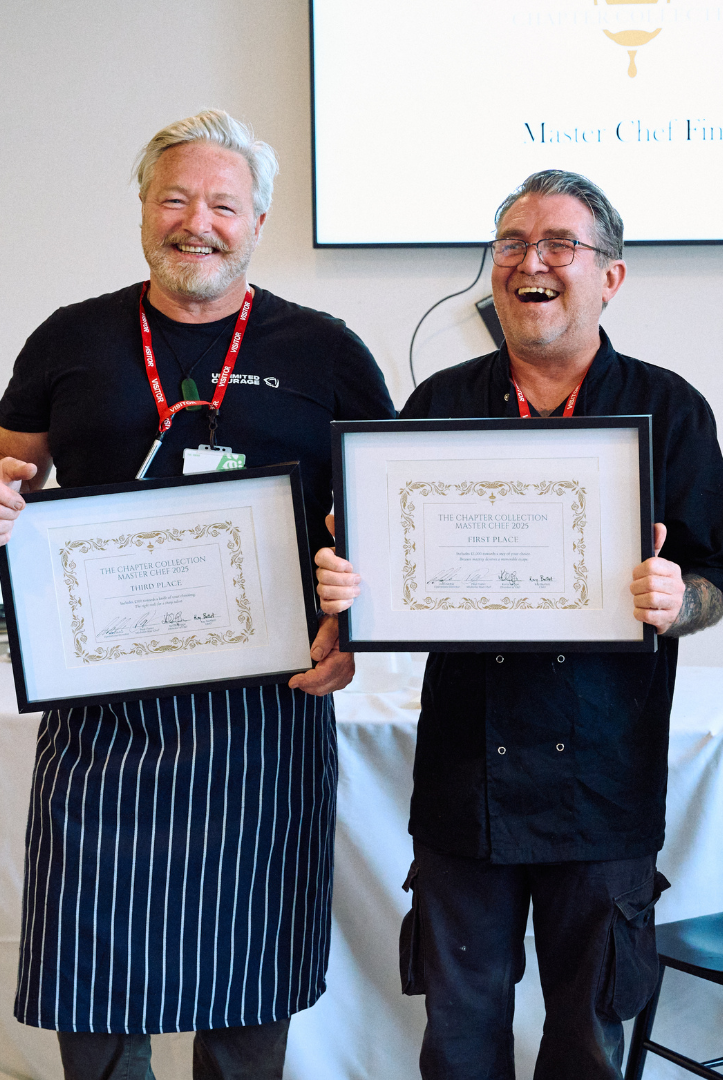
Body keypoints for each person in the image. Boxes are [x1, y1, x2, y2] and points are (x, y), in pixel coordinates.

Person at [315, 170, 723, 1079]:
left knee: (587, 1039)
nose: (530, 262)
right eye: (511, 244)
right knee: (460, 1038)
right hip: (466, 780)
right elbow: (384, 570)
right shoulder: (439, 405)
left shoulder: (670, 410)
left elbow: (717, 577)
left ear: (610, 277)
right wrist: (350, 581)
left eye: (559, 244)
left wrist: (678, 601)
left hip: (605, 781)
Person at [0, 109, 395, 1078]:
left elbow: (382, 514)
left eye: (222, 203)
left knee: (248, 986)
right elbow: (10, 469)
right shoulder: (70, 337)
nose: (197, 222)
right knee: (86, 975)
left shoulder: (324, 349)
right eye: (174, 198)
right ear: (142, 208)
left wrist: (352, 629)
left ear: (258, 218)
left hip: (264, 718)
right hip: (100, 712)